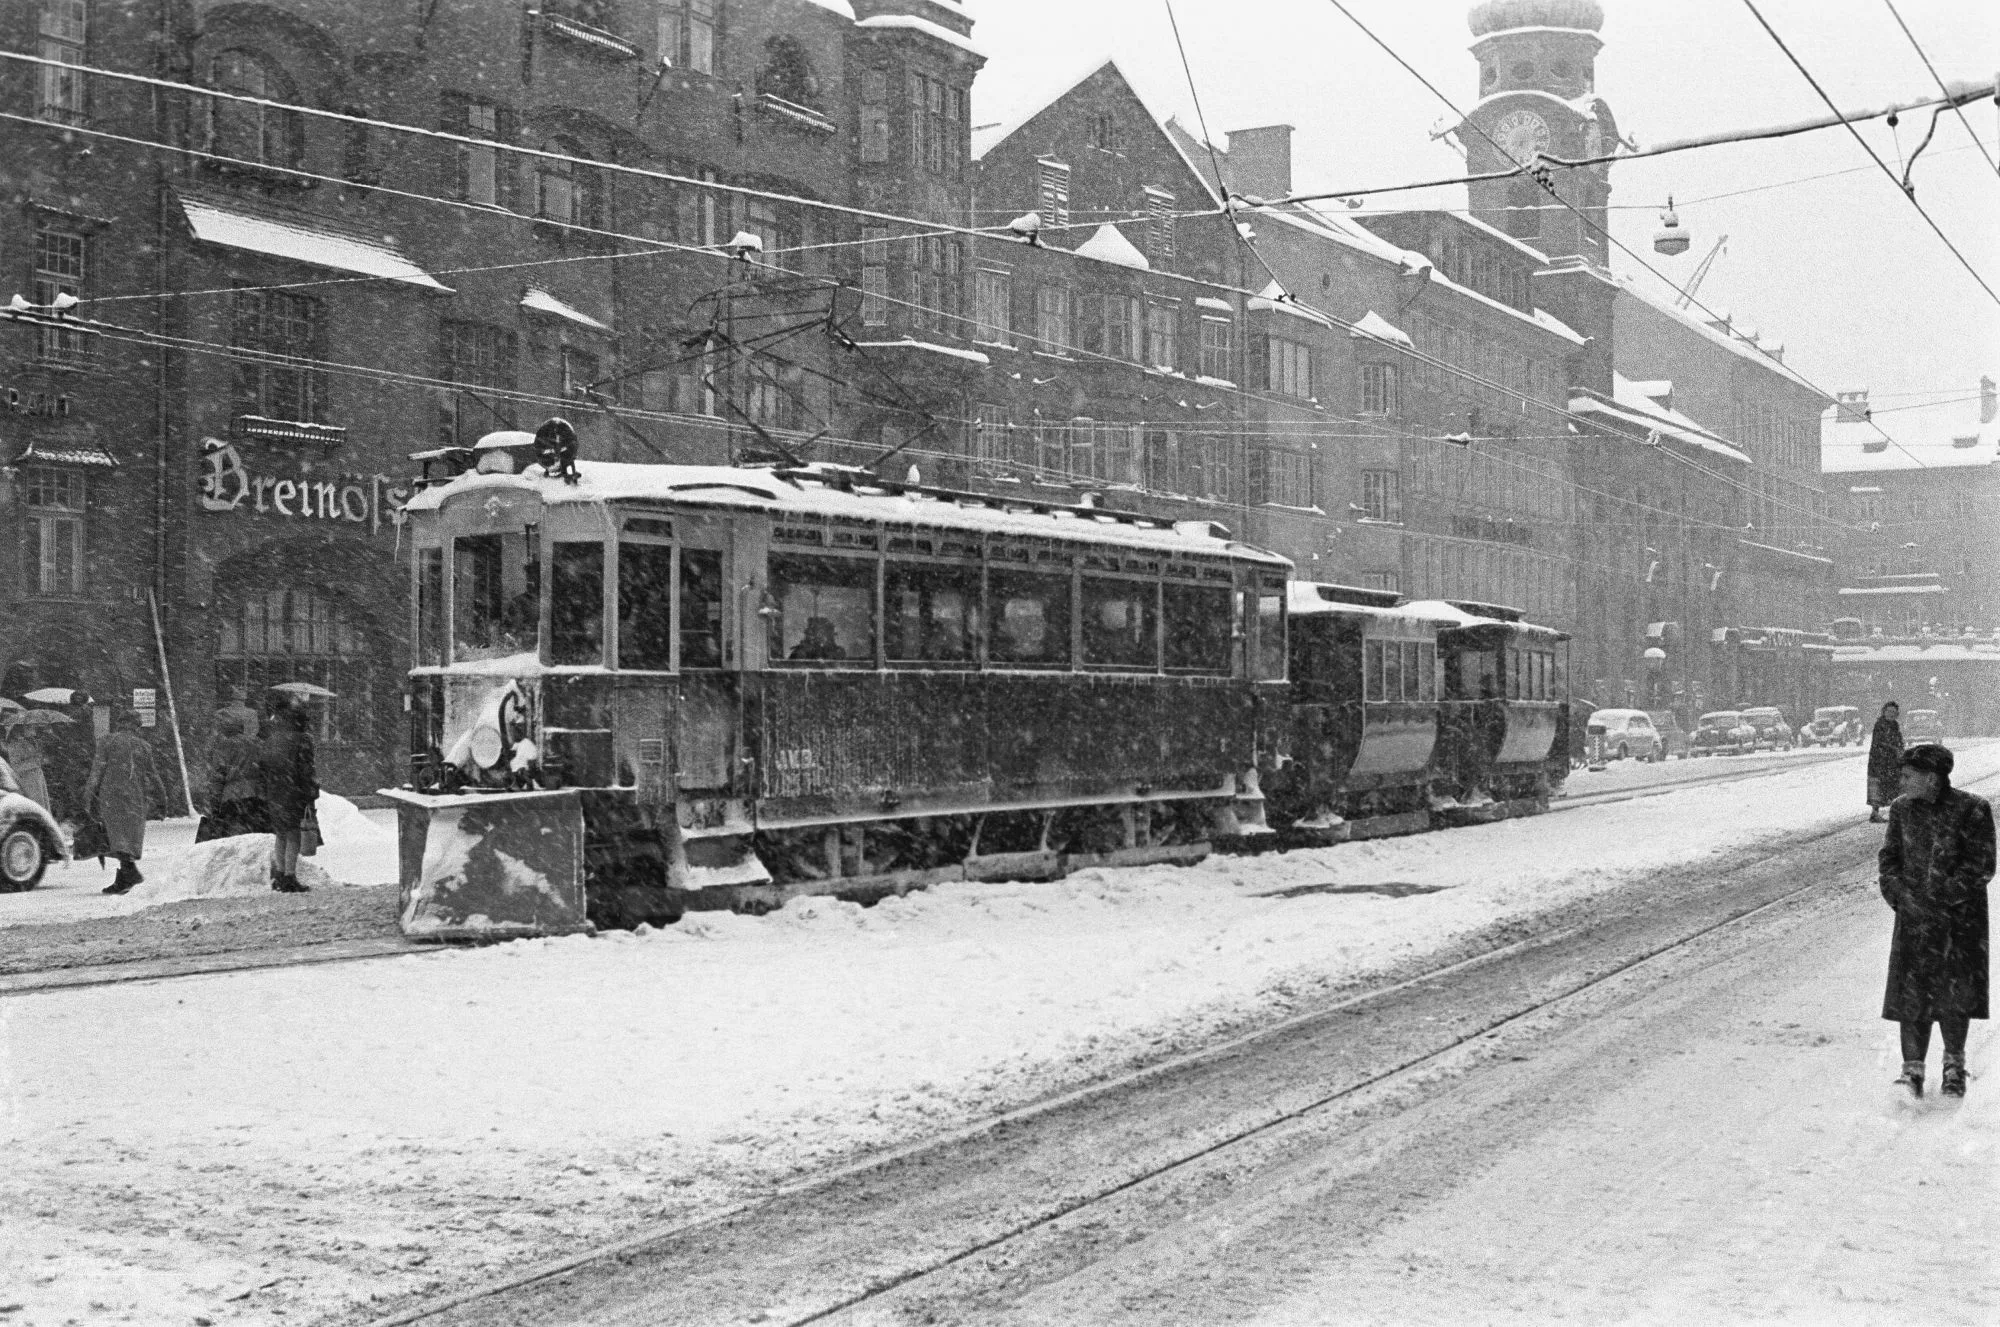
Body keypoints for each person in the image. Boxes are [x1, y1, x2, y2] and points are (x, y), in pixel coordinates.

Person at [1879, 743, 1992, 1099]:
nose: (1901, 781)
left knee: (1954, 994)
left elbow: (1980, 866)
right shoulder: (1901, 811)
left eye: (1907, 775)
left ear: (1932, 778)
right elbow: (1889, 859)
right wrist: (1899, 894)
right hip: (1914, 920)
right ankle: (1912, 1070)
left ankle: (1954, 1067)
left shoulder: (1972, 809)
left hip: (1959, 923)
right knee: (1911, 994)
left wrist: (1940, 900)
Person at [84, 711, 164, 895]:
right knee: (127, 837)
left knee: (115, 836)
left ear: (120, 723)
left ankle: (128, 874)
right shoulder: (144, 746)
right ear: (137, 725)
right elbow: (153, 775)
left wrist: (87, 797)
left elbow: (96, 772)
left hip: (112, 796)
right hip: (135, 797)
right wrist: (162, 798)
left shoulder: (107, 742)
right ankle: (126, 876)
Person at [258, 698, 317, 893]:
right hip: (294, 791)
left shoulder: (273, 738)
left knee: (281, 834)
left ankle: (280, 875)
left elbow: (263, 765)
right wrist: (310, 792)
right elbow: (306, 770)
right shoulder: (303, 739)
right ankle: (290, 876)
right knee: (293, 835)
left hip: (274, 790)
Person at [197, 709, 267, 841]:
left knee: (234, 837)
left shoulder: (225, 746)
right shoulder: (258, 743)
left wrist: (214, 804)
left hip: (231, 796)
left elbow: (218, 776)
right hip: (255, 794)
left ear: (227, 730)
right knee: (254, 837)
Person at [1866, 701, 1903, 822]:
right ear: (1884, 712)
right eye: (1889, 711)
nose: (1891, 714)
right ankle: (1875, 812)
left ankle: (1895, 812)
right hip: (1879, 761)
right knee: (1877, 785)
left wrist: (1900, 749)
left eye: (1894, 712)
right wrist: (1893, 748)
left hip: (1891, 761)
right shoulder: (1880, 725)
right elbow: (1880, 742)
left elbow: (1898, 740)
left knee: (1893, 785)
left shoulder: (1895, 725)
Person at [3, 724, 51, 814]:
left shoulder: (29, 741)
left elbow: (35, 758)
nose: (33, 729)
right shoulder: (14, 744)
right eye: (30, 727)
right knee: (37, 808)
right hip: (28, 781)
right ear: (21, 729)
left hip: (37, 779)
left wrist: (40, 757)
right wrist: (35, 761)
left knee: (43, 807)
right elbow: (16, 766)